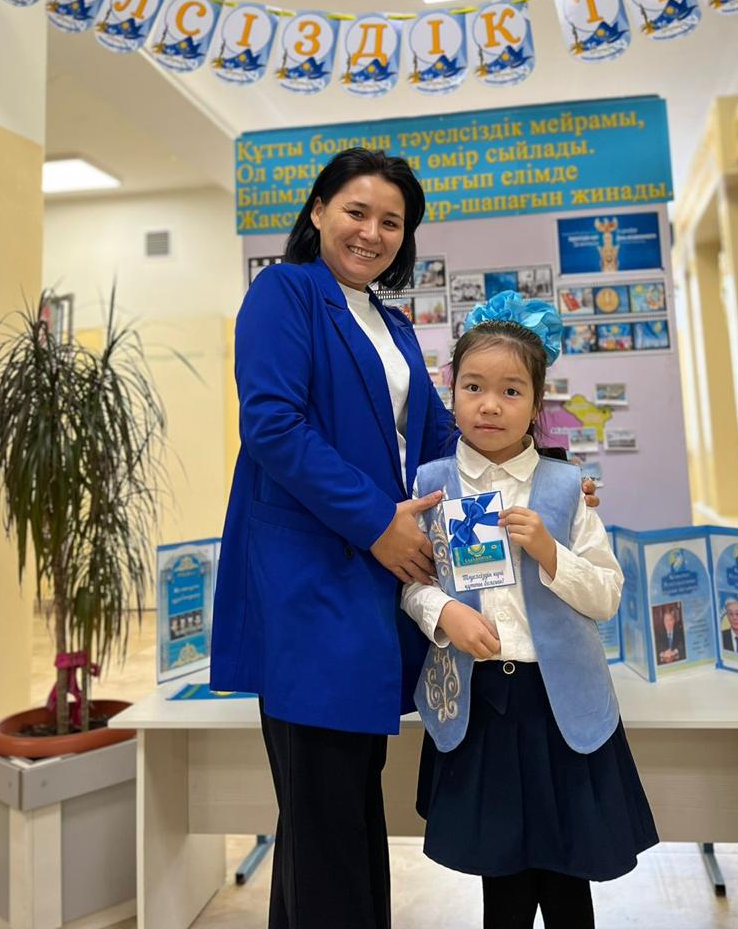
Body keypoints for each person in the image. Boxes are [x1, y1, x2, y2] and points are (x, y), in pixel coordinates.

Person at [210, 149, 458, 929]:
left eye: (392, 221)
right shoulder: (283, 292)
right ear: (318, 211)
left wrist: (535, 474)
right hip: (310, 586)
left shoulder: (392, 324)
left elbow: (437, 440)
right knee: (325, 813)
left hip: (370, 591)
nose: (371, 232)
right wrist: (379, 523)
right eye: (357, 211)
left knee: (341, 812)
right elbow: (273, 427)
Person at [402, 292, 658, 929]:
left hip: (560, 705)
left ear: (537, 404)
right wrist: (444, 614)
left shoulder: (569, 488)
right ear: (452, 393)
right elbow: (411, 581)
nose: (490, 405)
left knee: (570, 878)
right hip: (480, 705)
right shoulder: (431, 484)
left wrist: (550, 553)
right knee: (503, 883)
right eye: (474, 387)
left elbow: (607, 594)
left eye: (511, 391)